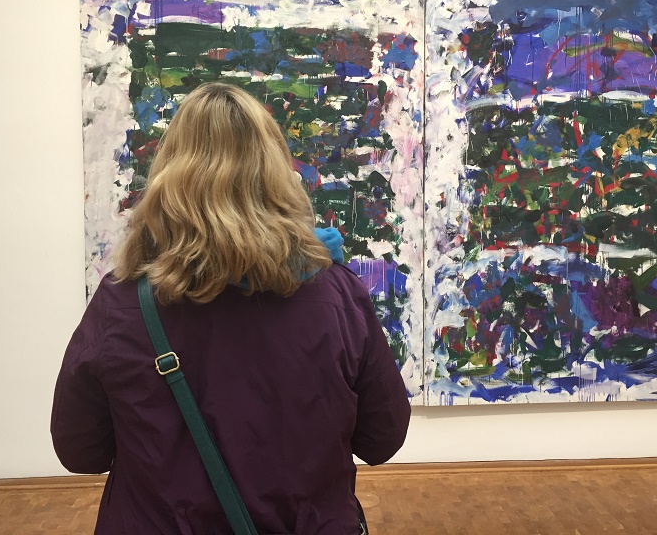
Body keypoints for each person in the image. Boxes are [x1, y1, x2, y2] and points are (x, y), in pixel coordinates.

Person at [51, 83, 411, 534]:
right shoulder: (336, 294)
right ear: (275, 173)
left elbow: (80, 450)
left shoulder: (122, 303)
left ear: (168, 175)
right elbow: (382, 438)